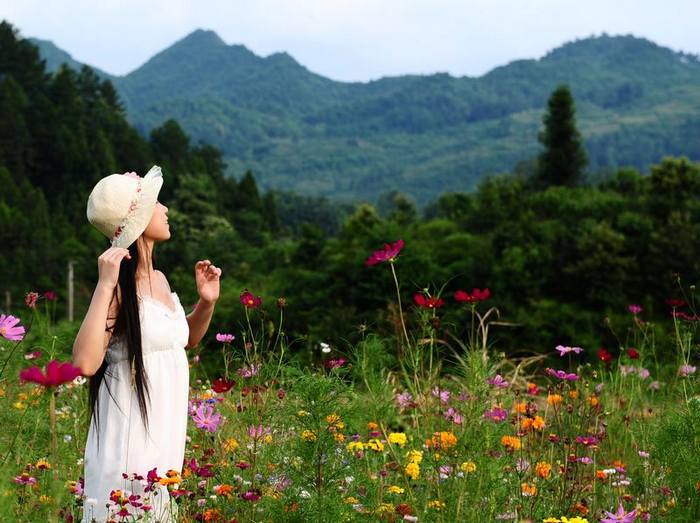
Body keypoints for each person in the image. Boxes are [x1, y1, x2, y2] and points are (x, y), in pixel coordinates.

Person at [72, 166, 222, 522]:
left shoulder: (159, 278)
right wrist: (105, 284)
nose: (166, 210)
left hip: (162, 429)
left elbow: (181, 340)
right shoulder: (118, 287)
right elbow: (84, 363)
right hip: (130, 432)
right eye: (157, 203)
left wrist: (206, 303)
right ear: (137, 220)